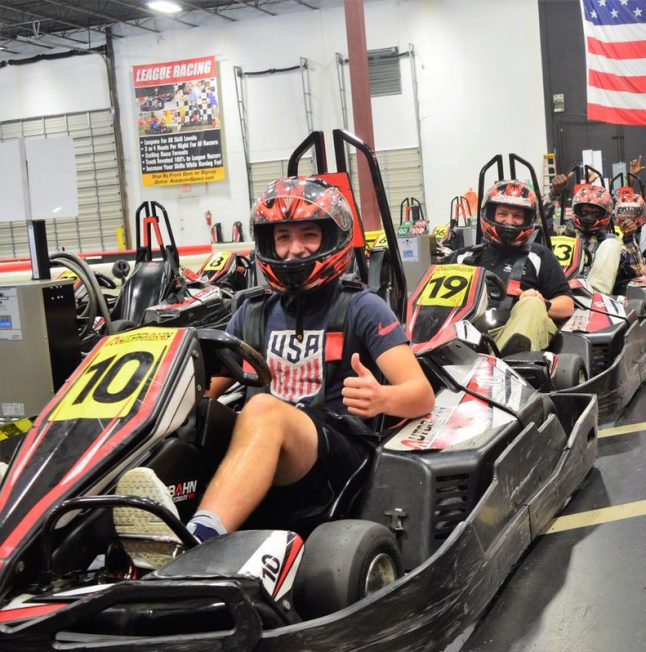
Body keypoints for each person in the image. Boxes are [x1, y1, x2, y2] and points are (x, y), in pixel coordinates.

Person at [113, 176, 435, 568]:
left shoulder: (362, 308)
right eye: (283, 237)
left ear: (332, 238)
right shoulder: (252, 313)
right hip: (264, 445)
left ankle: (195, 540)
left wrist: (382, 398)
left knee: (264, 409)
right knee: (196, 417)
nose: (294, 249)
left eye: (308, 235)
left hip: (338, 458)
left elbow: (421, 394)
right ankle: (117, 521)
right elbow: (206, 390)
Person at [451, 180, 574, 355]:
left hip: (515, 330)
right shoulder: (463, 257)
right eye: (502, 214)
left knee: (532, 303)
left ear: (527, 220)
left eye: (517, 216)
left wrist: (543, 303)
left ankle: (505, 361)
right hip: (468, 337)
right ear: (490, 214)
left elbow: (567, 305)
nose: (509, 221)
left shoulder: (539, 255)